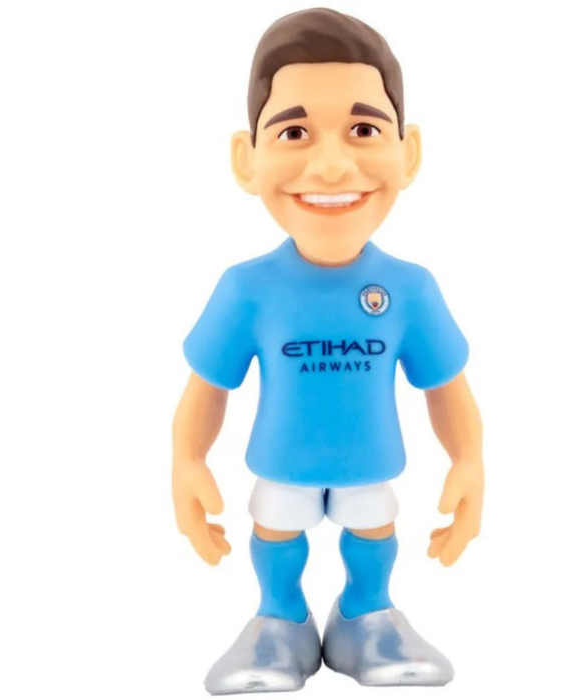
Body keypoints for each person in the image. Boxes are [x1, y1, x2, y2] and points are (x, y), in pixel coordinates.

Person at [171, 8, 484, 694]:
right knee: (277, 524)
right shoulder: (246, 290)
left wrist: (469, 461)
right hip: (282, 464)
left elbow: (446, 385)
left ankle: (366, 615)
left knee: (372, 523)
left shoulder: (410, 289)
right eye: (294, 132)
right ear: (247, 159)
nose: (334, 164)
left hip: (368, 464)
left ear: (409, 151)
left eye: (364, 129)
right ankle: (279, 619)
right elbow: (207, 387)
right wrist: (186, 461)